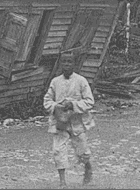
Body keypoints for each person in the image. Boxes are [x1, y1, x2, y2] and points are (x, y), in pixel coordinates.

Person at [43, 52, 95, 187]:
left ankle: (88, 167)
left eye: (69, 62)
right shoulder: (55, 82)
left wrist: (73, 104)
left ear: (74, 64)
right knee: (58, 150)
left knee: (82, 150)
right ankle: (62, 181)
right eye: (64, 62)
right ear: (61, 64)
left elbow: (90, 101)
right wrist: (56, 107)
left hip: (77, 122)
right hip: (60, 122)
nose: (66, 64)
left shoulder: (81, 81)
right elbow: (47, 100)